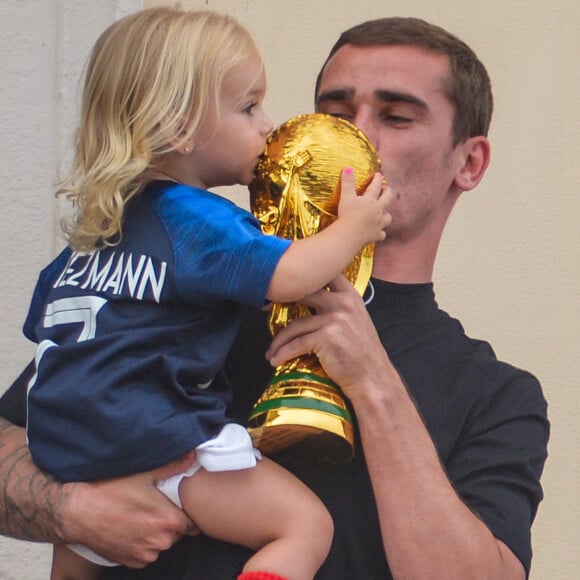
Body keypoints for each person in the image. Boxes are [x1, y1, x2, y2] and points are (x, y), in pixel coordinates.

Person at [0, 15, 549, 580]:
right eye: (333, 113)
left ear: (469, 161)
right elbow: (28, 427)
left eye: (396, 116)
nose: (354, 136)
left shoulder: (496, 393)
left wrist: (373, 385)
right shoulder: (199, 283)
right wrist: (71, 510)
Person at [16, 7, 392, 580]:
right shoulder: (195, 219)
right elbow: (291, 276)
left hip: (66, 460)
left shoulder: (89, 239)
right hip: (159, 447)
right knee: (304, 527)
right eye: (248, 106)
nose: (267, 124)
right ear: (176, 126)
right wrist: (355, 227)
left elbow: (45, 327)